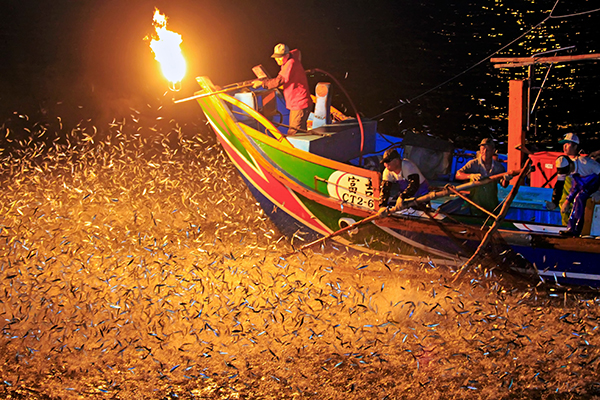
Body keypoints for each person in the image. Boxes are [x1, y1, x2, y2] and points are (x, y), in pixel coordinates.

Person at [252, 43, 313, 135]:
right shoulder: (292, 57)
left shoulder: (290, 63)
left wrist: (262, 83)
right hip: (300, 103)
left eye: (280, 57)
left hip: (299, 104)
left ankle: (292, 149)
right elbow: (297, 51)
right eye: (276, 57)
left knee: (294, 133)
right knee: (301, 131)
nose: (277, 60)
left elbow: (279, 81)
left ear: (287, 55)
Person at [549, 133, 600, 236]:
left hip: (594, 181)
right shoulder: (566, 164)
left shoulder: (586, 163)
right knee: (575, 196)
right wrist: (556, 202)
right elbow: (561, 185)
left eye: (568, 144)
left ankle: (576, 230)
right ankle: (572, 229)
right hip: (583, 184)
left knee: (580, 198)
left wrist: (599, 191)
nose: (564, 147)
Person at [454, 138, 510, 215]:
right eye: (483, 149)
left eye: (488, 150)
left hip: (491, 206)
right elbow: (458, 175)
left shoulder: (499, 167)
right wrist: (470, 176)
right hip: (475, 205)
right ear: (480, 150)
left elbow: (504, 185)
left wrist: (506, 179)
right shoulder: (473, 164)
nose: (485, 152)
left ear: (493, 151)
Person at [377, 148, 429, 214]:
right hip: (406, 195)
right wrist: (382, 205)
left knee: (419, 207)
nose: (385, 164)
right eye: (385, 162)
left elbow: (414, 185)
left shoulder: (407, 166)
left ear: (397, 161)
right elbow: (385, 189)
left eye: (388, 162)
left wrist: (402, 197)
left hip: (421, 193)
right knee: (391, 203)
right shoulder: (387, 171)